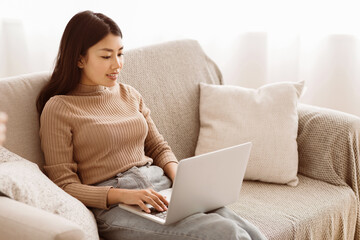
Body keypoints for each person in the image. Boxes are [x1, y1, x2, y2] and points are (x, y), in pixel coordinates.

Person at [37, 10, 267, 240]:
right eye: (106, 56)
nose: (117, 64)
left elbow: (158, 147)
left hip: (161, 185)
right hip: (116, 206)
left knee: (250, 232)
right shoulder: (59, 108)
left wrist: (183, 180)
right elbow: (64, 184)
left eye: (120, 53)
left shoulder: (130, 94)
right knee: (225, 233)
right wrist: (122, 196)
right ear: (79, 59)